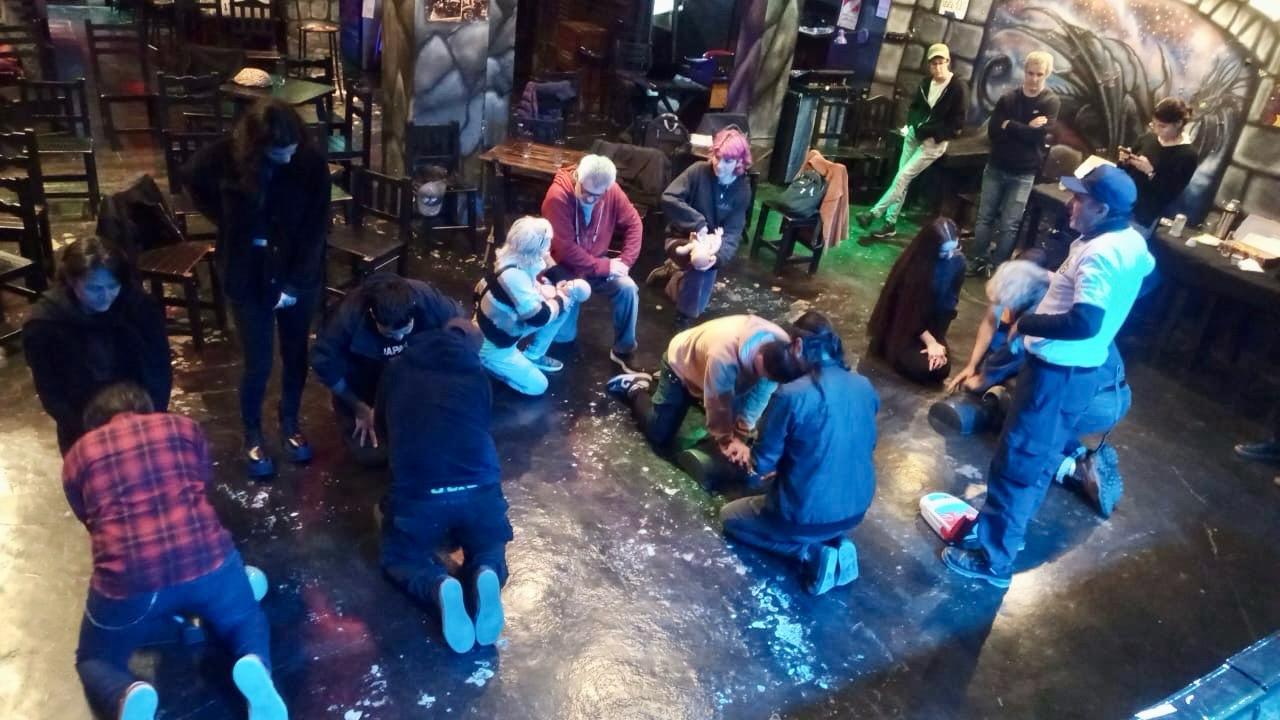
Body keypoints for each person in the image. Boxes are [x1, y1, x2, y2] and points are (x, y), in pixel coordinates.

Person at [941, 164, 1154, 588]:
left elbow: (1086, 321)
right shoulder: (1129, 240)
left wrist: (1028, 324)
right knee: (1038, 461)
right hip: (1078, 373)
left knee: (1018, 461)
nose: (1071, 204)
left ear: (1102, 208)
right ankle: (1004, 533)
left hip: (1057, 376)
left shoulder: (1100, 253)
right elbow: (1147, 275)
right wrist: (1053, 281)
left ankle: (994, 559)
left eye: (1080, 199)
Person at [63, 383, 286, 720]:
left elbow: (90, 522)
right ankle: (254, 663)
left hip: (133, 581)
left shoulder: (77, 456)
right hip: (208, 561)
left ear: (94, 424)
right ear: (147, 408)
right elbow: (201, 483)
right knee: (245, 618)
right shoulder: (183, 427)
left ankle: (125, 694)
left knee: (94, 658)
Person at [185, 99, 330, 479]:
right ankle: (252, 433)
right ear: (258, 146)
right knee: (258, 361)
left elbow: (317, 229)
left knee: (296, 354)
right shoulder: (225, 158)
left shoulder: (310, 162)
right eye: (278, 151)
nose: (287, 156)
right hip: (247, 272)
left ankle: (290, 421)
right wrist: (227, 220)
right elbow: (194, 178)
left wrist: (295, 284)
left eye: (292, 148)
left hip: (296, 270)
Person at [933, 259, 1130, 516]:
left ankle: (1077, 471)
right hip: (1114, 393)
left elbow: (991, 373)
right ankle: (1082, 453)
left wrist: (976, 381)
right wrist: (975, 365)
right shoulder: (1058, 291)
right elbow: (995, 328)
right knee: (1032, 405)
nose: (1002, 311)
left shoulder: (1036, 322)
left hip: (1094, 402)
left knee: (1023, 440)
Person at [720, 313, 879, 595]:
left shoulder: (791, 394)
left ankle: (810, 553)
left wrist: (746, 451)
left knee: (730, 517)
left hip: (802, 515)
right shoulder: (864, 386)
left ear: (797, 346)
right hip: (856, 510)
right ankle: (836, 543)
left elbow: (762, 464)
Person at [376, 323, 511, 655]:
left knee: (400, 557)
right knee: (490, 544)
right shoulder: (478, 374)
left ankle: (438, 584)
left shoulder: (397, 369)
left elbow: (382, 428)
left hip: (421, 495)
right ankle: (486, 569)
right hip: (480, 488)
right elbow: (482, 422)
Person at [23, 236, 171, 454]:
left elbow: (159, 367)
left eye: (113, 286)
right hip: (81, 427)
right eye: (94, 288)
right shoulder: (45, 324)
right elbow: (51, 391)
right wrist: (90, 432)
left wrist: (152, 416)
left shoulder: (139, 308)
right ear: (72, 281)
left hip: (140, 419)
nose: (105, 296)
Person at [607, 314, 807, 468]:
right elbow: (718, 403)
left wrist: (741, 432)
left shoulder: (782, 347)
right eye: (762, 374)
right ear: (759, 358)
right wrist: (727, 441)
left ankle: (690, 395)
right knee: (659, 434)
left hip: (716, 372)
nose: (765, 380)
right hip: (682, 364)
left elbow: (761, 393)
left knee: (733, 418)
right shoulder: (724, 355)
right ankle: (636, 388)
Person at [311, 272, 467, 466]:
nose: (399, 338)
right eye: (391, 334)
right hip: (365, 384)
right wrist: (359, 407)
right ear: (373, 316)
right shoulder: (344, 320)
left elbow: (460, 325)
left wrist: (443, 379)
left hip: (414, 375)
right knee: (371, 454)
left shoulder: (426, 298)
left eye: (405, 330)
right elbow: (325, 367)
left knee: (434, 438)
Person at [540, 154, 644, 373]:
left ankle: (624, 349)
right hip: (564, 267)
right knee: (563, 338)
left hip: (596, 262)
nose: (589, 200)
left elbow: (634, 223)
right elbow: (565, 247)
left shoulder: (612, 191)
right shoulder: (557, 197)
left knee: (627, 288)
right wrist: (604, 267)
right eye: (585, 192)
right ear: (577, 177)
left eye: (597, 196)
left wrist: (625, 262)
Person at [855, 43, 969, 239]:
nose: (937, 67)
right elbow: (915, 107)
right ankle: (890, 223)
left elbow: (958, 122)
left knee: (903, 176)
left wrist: (936, 134)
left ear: (948, 62)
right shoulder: (926, 83)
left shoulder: (957, 87)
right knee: (901, 178)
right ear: (929, 65)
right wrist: (914, 125)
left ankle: (874, 213)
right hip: (914, 136)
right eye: (933, 64)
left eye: (941, 63)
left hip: (933, 142)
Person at [473, 216, 592, 396]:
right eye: (546, 244)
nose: (549, 248)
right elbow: (539, 317)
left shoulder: (514, 259)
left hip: (503, 326)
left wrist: (555, 291)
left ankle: (533, 356)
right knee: (537, 386)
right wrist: (561, 298)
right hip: (495, 343)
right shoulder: (513, 276)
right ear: (536, 249)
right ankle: (488, 363)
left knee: (560, 307)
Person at [647, 126, 753, 327]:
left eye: (727, 161)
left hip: (713, 243)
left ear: (739, 162)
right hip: (680, 237)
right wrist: (698, 223)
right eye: (717, 157)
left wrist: (718, 258)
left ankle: (675, 279)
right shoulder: (698, 171)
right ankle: (684, 318)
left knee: (705, 265)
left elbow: (733, 232)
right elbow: (669, 197)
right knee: (699, 268)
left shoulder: (742, 190)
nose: (719, 165)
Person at [968, 51, 1060, 275]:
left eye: (1039, 74)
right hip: (997, 166)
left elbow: (1039, 136)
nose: (1034, 79)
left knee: (1010, 224)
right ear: (1024, 72)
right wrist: (1027, 128)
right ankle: (977, 259)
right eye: (1030, 73)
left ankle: (999, 267)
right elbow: (993, 132)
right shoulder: (1008, 98)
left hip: (1024, 172)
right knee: (985, 217)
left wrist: (1010, 125)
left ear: (1047, 74)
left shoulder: (1050, 102)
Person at [866, 218, 966, 384]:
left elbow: (949, 304)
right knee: (927, 368)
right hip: (903, 328)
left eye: (954, 249)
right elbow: (907, 313)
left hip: (932, 326)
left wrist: (937, 341)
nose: (950, 256)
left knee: (940, 367)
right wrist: (931, 342)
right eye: (944, 252)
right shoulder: (914, 268)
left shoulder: (958, 262)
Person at [1118, 98, 1198, 232]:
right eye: (1153, 125)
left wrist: (1150, 172)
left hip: (1141, 217)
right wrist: (1124, 161)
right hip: (1120, 204)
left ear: (1178, 124)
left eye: (1162, 126)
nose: (1156, 130)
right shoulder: (1147, 138)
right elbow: (1123, 172)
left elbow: (1169, 194)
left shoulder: (1188, 155)